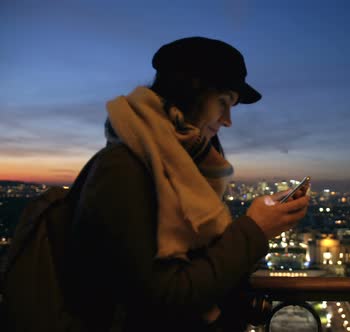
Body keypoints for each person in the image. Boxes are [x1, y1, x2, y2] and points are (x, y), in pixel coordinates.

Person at [64, 36, 310, 331]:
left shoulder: (173, 167)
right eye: (223, 102)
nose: (228, 120)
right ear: (190, 92)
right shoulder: (122, 168)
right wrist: (254, 230)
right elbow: (161, 298)